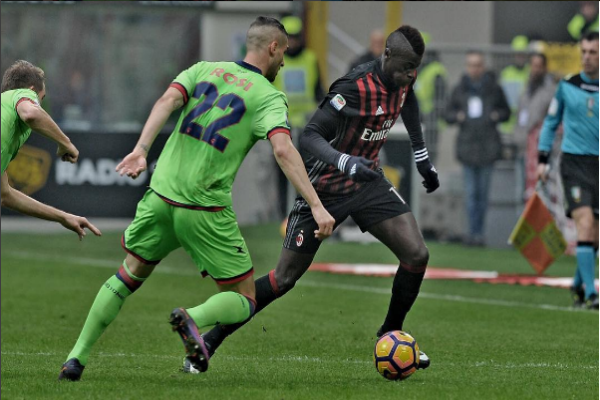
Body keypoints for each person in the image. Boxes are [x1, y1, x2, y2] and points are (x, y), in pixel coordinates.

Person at [58, 16, 335, 381]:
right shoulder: (268, 96)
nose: (284, 61)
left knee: (128, 274)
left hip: (161, 195)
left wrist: (141, 150)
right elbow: (283, 150)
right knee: (245, 300)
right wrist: (316, 205)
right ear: (273, 48)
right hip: (204, 207)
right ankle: (193, 318)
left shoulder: (204, 69)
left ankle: (75, 359)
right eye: (283, 52)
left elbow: (167, 100)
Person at [200, 25, 439, 371]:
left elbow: (408, 98)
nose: (411, 76)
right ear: (386, 55)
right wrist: (345, 162)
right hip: (324, 187)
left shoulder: (404, 78)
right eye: (405, 68)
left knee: (416, 255)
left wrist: (421, 155)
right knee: (283, 279)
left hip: (368, 183)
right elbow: (310, 136)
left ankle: (391, 333)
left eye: (415, 69)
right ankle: (210, 340)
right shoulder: (354, 87)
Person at [1, 60, 101, 240]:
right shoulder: (22, 94)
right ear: (32, 91)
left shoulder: (5, 115)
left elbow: (5, 195)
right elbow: (32, 114)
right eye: (41, 98)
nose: (38, 103)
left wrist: (63, 217)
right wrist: (66, 143)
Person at [537, 31, 599, 310]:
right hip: (574, 163)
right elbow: (551, 123)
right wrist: (543, 159)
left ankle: (577, 285)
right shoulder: (567, 86)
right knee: (584, 222)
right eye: (584, 52)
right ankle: (592, 294)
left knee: (594, 232)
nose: (587, 57)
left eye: (593, 52)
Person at [445, 51, 510, 246]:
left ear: (483, 67)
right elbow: (447, 114)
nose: (475, 69)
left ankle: (479, 233)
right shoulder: (459, 89)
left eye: (478, 65)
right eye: (471, 65)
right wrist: (458, 116)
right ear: (467, 67)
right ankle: (472, 232)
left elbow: (506, 112)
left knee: (483, 194)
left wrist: (496, 116)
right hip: (467, 147)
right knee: (471, 194)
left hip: (488, 147)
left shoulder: (494, 89)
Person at [273, 16, 325, 218]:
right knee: (282, 170)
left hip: (306, 125)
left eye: (295, 37)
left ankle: (304, 209)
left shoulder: (310, 59)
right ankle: (282, 214)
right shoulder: (275, 59)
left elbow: (319, 91)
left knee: (306, 169)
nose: (292, 42)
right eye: (289, 38)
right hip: (281, 124)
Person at [513, 53, 557, 201]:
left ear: (544, 68)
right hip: (523, 148)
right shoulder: (526, 90)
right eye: (533, 65)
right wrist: (517, 137)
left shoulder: (551, 92)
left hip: (542, 152)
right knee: (522, 192)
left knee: (542, 194)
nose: (535, 69)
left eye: (539, 66)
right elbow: (519, 117)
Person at [414, 32, 446, 163]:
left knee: (427, 155)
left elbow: (440, 98)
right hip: (414, 117)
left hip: (430, 120)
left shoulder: (435, 70)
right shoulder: (413, 68)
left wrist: (432, 115)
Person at [500, 35, 530, 136]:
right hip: (508, 124)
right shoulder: (506, 73)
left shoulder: (530, 73)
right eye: (518, 54)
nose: (520, 57)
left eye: (522, 54)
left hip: (525, 123)